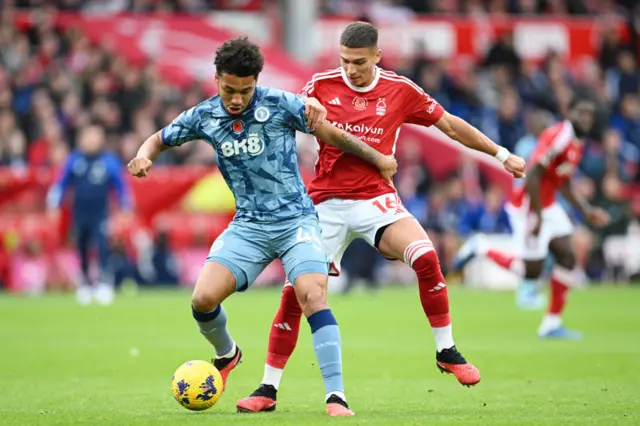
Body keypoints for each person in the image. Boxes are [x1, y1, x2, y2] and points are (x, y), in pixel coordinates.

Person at [236, 21, 526, 413]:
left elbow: (450, 126)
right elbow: (284, 121)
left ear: (377, 57)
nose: (350, 69)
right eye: (344, 61)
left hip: (376, 200)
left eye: (358, 62)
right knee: (297, 294)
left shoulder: (400, 90)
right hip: (324, 204)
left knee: (426, 257)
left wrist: (500, 154)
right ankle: (268, 389)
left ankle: (446, 351)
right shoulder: (320, 84)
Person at [127, 37, 397, 417]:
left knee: (312, 296)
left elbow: (331, 133)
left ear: (257, 81)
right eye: (229, 90)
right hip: (249, 226)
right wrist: (142, 156)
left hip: (296, 221)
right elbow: (159, 139)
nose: (237, 99)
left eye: (246, 90)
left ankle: (336, 396)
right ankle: (228, 353)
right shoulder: (203, 116)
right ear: (216, 78)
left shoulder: (280, 104)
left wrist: (377, 157)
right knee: (202, 300)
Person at [453, 97, 610, 339]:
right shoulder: (560, 136)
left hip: (547, 204)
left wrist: (586, 210)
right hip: (529, 205)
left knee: (568, 257)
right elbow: (534, 175)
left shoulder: (577, 142)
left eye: (590, 114)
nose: (586, 119)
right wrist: (537, 217)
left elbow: (563, 182)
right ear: (570, 112)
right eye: (582, 113)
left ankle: (551, 323)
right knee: (530, 272)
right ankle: (481, 247)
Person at [47, 124, 132, 306]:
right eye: (88, 137)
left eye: (95, 137)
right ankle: (85, 283)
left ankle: (103, 283)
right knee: (82, 246)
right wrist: (54, 204)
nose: (91, 141)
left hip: (100, 213)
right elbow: (61, 184)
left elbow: (121, 186)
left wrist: (125, 206)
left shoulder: (109, 161)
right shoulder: (74, 160)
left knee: (101, 246)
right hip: (79, 213)